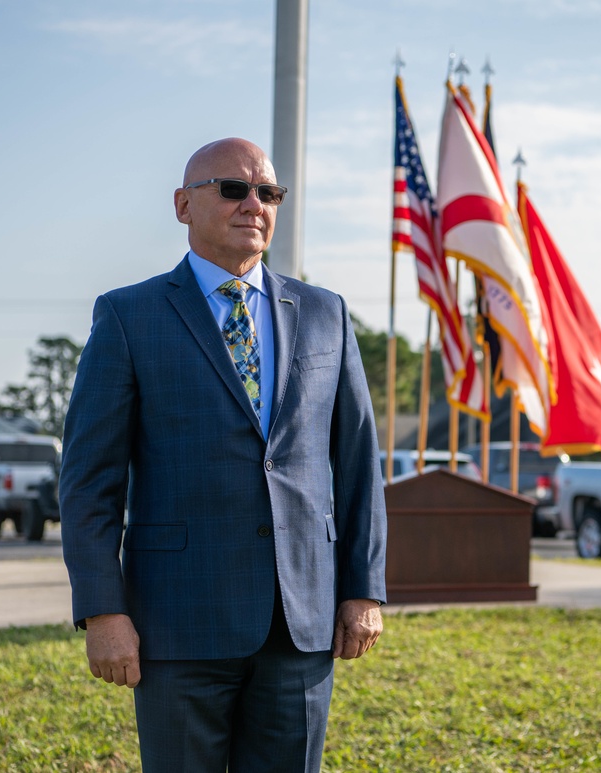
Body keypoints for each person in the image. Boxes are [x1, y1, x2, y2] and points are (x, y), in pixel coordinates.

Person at [60, 137, 387, 772]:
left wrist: (363, 590)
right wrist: (103, 612)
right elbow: (88, 483)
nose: (253, 204)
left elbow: (357, 466)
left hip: (300, 623)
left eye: (268, 192)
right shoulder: (129, 316)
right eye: (232, 189)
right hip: (177, 624)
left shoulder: (327, 314)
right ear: (183, 204)